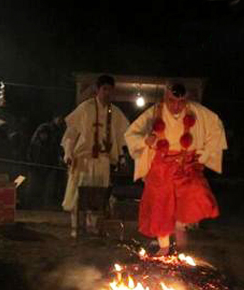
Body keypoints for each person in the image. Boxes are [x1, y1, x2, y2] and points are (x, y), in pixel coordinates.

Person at [125, 82, 227, 256]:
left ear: (185, 99)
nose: (176, 106)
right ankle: (164, 247)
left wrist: (202, 154)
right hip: (161, 166)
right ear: (166, 98)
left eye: (181, 102)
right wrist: (144, 141)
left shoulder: (197, 112)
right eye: (172, 101)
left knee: (189, 201)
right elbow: (131, 133)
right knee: (160, 205)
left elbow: (216, 129)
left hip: (186, 165)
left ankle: (181, 247)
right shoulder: (154, 112)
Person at [61, 75, 129, 237]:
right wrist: (68, 153)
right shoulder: (85, 108)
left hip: (103, 161)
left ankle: (93, 228)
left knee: (99, 196)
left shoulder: (116, 112)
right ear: (98, 90)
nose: (107, 93)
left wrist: (121, 157)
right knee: (80, 193)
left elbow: (123, 137)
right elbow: (71, 134)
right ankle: (75, 228)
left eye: (110, 90)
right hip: (83, 159)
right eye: (104, 89)